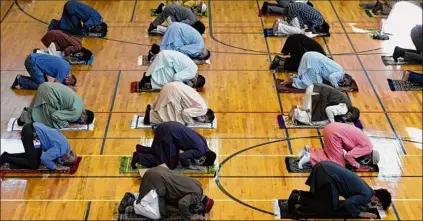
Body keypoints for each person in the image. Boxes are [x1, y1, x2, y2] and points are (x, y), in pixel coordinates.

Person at [288, 161, 392, 218]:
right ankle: (297, 198)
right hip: (327, 175)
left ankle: (298, 193)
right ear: (377, 200)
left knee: (322, 197)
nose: (375, 205)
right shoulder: (367, 196)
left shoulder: (368, 190)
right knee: (328, 208)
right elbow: (348, 202)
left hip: (324, 166)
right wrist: (361, 214)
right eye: (378, 205)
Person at [134, 166, 214, 220]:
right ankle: (133, 202)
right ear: (201, 205)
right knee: (159, 214)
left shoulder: (199, 185)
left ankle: (138, 197)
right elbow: (182, 204)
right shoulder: (196, 195)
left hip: (158, 170)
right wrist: (189, 218)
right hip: (156, 181)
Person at [131, 121, 217, 170]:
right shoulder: (199, 152)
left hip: (170, 128)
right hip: (167, 134)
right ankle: (139, 157)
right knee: (169, 165)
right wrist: (190, 166)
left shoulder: (204, 142)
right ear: (204, 158)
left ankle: (142, 149)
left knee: (163, 151)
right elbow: (181, 156)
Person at [297, 123, 380, 169]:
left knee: (330, 154)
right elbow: (348, 156)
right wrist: (357, 165)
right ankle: (310, 157)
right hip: (335, 135)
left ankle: (309, 150)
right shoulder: (367, 149)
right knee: (339, 165)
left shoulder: (368, 143)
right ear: (369, 158)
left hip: (331, 127)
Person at [0, 122, 77, 170]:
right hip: (31, 134)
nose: (61, 160)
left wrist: (59, 161)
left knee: (32, 156)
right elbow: (44, 158)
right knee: (34, 164)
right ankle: (6, 158)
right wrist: (55, 167)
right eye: (63, 160)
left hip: (33, 128)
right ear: (66, 157)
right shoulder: (60, 150)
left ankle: (7, 155)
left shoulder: (66, 145)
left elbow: (56, 156)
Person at [19, 82, 94, 129]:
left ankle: (28, 112)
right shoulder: (76, 114)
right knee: (51, 122)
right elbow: (55, 115)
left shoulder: (81, 104)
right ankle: (25, 118)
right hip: (48, 94)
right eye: (83, 120)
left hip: (46, 85)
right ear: (83, 114)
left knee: (40, 107)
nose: (80, 120)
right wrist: (68, 125)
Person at [287, 83, 361, 126]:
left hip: (314, 88)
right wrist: (333, 124)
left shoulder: (346, 103)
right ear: (350, 114)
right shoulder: (344, 109)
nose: (347, 119)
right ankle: (296, 111)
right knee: (313, 121)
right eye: (349, 118)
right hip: (316, 93)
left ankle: (298, 108)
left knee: (308, 111)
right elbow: (329, 110)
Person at [143, 82, 214, 126]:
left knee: (165, 108)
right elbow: (185, 113)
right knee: (177, 122)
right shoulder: (202, 110)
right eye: (204, 121)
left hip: (171, 85)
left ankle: (152, 108)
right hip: (175, 93)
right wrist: (191, 123)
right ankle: (150, 117)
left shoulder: (204, 103)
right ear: (204, 116)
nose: (201, 122)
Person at [278, 52, 353, 89]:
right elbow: (331, 77)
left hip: (310, 55)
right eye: (344, 83)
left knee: (307, 76)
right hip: (314, 62)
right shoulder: (340, 73)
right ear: (344, 77)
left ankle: (295, 78)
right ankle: (293, 80)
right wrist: (336, 87)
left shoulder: (340, 69)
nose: (342, 84)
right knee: (315, 85)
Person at [138, 50, 205, 90]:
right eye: (194, 82)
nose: (192, 82)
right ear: (196, 77)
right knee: (171, 83)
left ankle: (149, 77)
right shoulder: (191, 73)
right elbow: (176, 77)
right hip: (164, 59)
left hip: (165, 55)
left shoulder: (194, 68)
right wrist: (184, 87)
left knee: (173, 77)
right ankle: (149, 80)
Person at [10, 53, 76, 90]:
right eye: (69, 80)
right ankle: (20, 80)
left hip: (34, 57)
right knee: (42, 86)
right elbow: (56, 85)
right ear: (69, 77)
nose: (66, 80)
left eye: (68, 82)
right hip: (32, 63)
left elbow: (48, 75)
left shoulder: (67, 66)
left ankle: (22, 80)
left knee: (44, 82)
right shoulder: (64, 72)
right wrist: (68, 88)